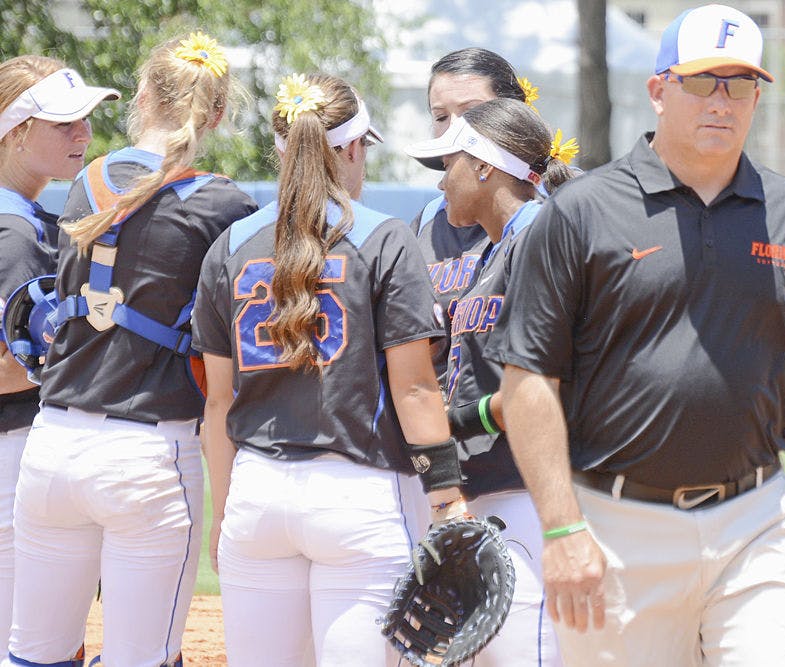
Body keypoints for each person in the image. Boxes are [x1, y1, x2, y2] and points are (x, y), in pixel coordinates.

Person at [486, 4, 785, 666]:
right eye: (702, 81)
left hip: (757, 519)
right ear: (659, 90)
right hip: (617, 527)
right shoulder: (581, 214)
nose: (722, 101)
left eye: (740, 83)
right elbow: (526, 382)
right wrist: (560, 525)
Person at [192, 72, 466, 666]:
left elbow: (217, 404)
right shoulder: (385, 237)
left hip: (257, 494)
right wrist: (448, 500)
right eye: (363, 147)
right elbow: (417, 389)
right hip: (358, 496)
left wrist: (226, 512)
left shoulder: (232, 243)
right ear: (346, 148)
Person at [6, 33, 257, 667]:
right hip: (149, 451)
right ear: (218, 113)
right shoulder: (227, 205)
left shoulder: (84, 186)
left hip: (53, 444)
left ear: (142, 96)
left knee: (33, 655)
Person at [405, 98, 577, 666]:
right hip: (490, 491)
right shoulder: (498, 248)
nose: (442, 183)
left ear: (485, 166)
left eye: (450, 163)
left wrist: (451, 423)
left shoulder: (540, 239)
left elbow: (546, 385)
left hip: (525, 492)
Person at [0, 54, 118, 658]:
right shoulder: (14, 231)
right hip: (11, 452)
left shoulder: (33, 218)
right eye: (63, 123)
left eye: (86, 119)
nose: (83, 134)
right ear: (16, 132)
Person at [412, 48, 528, 384]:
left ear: (512, 114)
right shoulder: (427, 223)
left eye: (471, 114)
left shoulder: (552, 214)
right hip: (439, 429)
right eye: (440, 117)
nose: (454, 132)